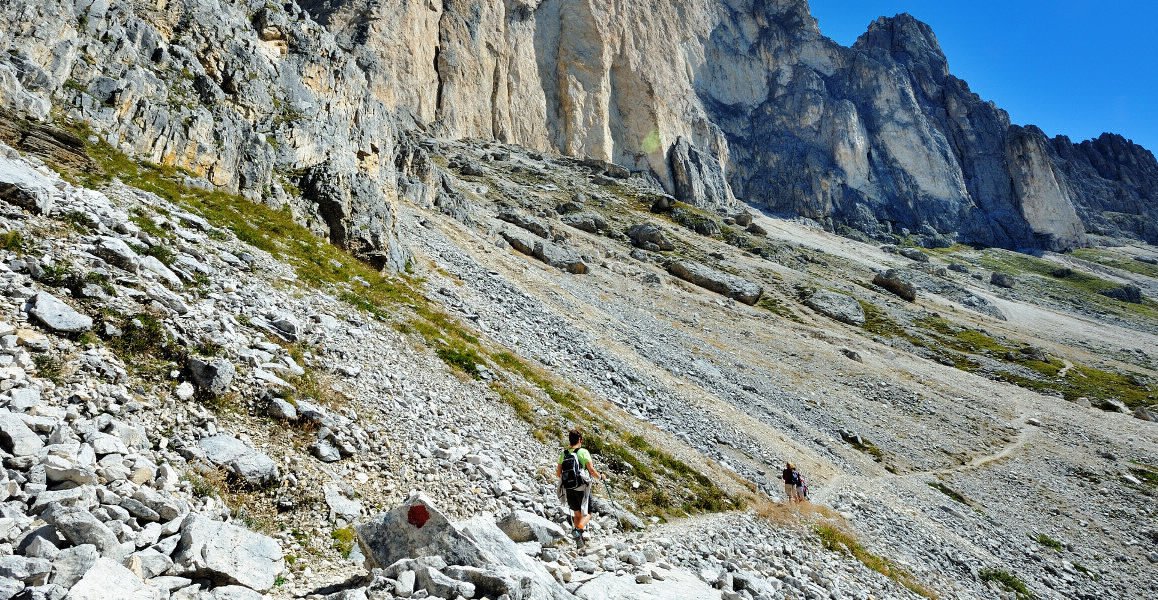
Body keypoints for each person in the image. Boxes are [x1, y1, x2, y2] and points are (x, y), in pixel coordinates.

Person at [556, 429, 602, 543]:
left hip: (568, 488)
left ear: (570, 440)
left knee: (577, 514)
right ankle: (578, 529)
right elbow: (591, 471)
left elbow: (558, 473)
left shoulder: (564, 453)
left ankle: (579, 541)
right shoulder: (583, 452)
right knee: (588, 513)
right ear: (580, 440)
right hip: (581, 488)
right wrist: (601, 477)